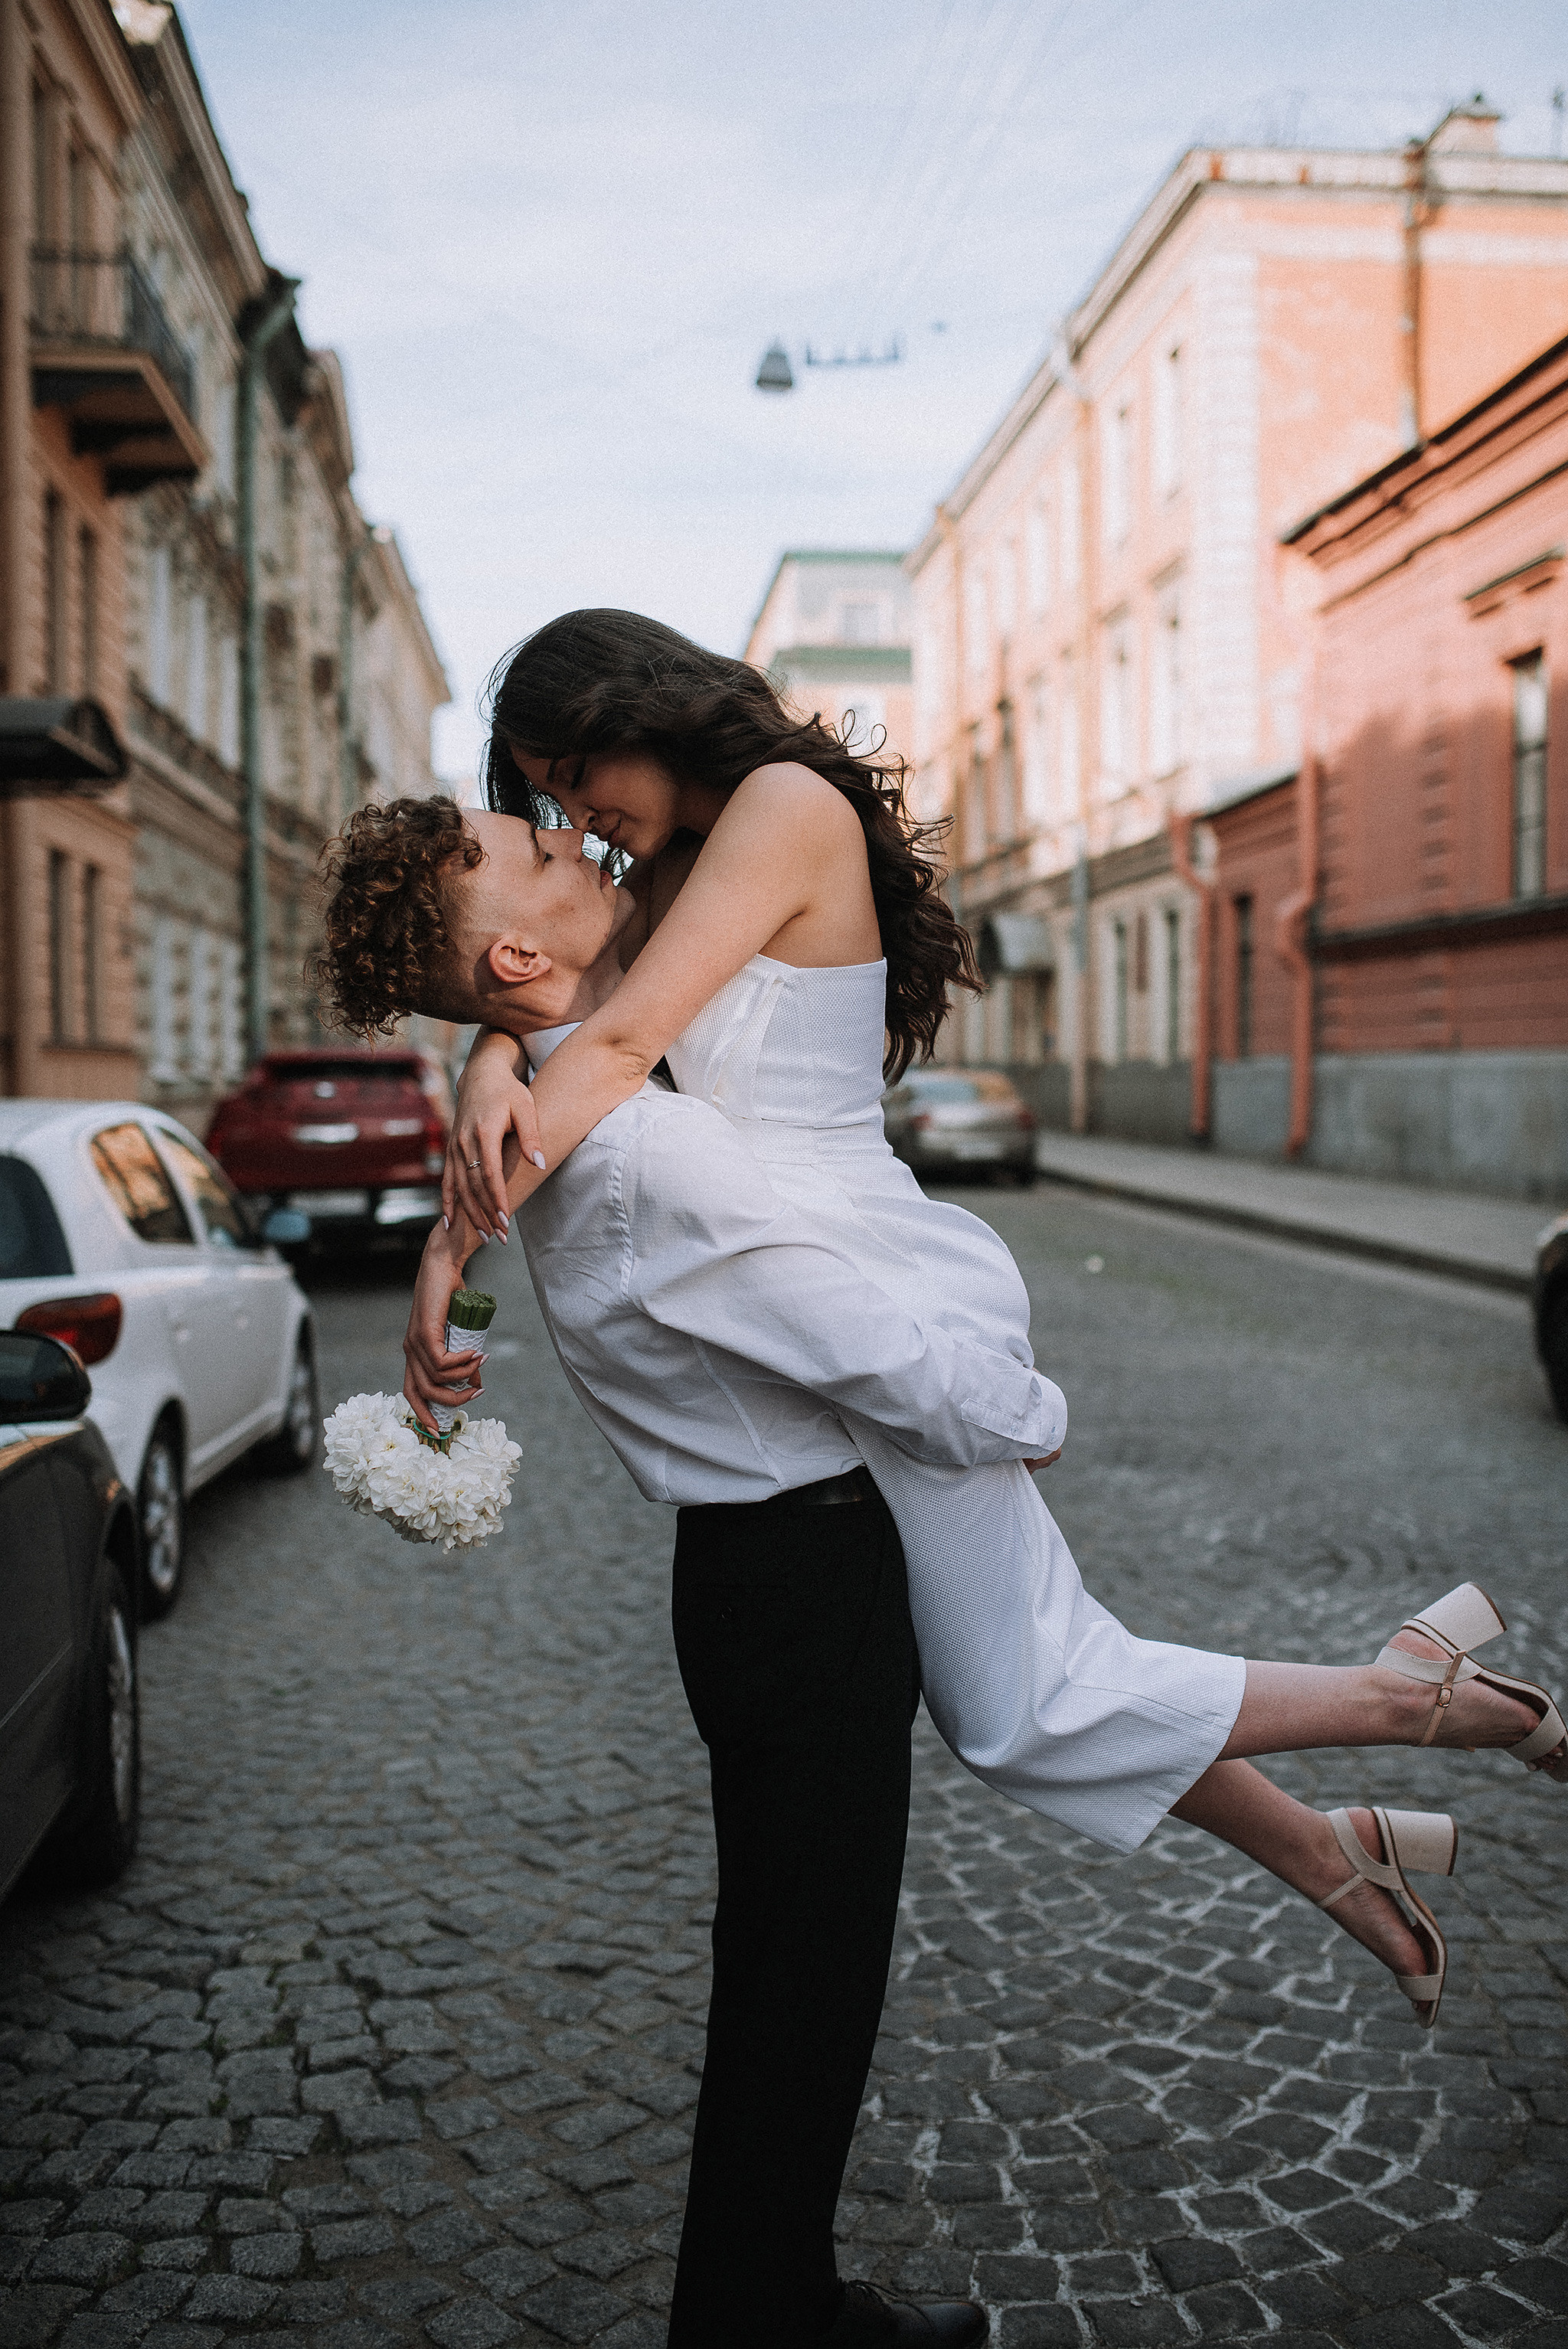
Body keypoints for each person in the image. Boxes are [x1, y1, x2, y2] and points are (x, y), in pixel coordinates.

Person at [318, 796, 1067, 2348]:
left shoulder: (574, 1102)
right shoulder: (643, 1148)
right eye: (538, 850)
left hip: (749, 1581)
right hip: (806, 1588)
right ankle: (763, 2316)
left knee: (784, 1981)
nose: (578, 842)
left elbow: (567, 1024)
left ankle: (765, 2295)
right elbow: (877, 1359)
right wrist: (1029, 1414)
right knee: (810, 1991)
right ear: (519, 945)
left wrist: (491, 1055)